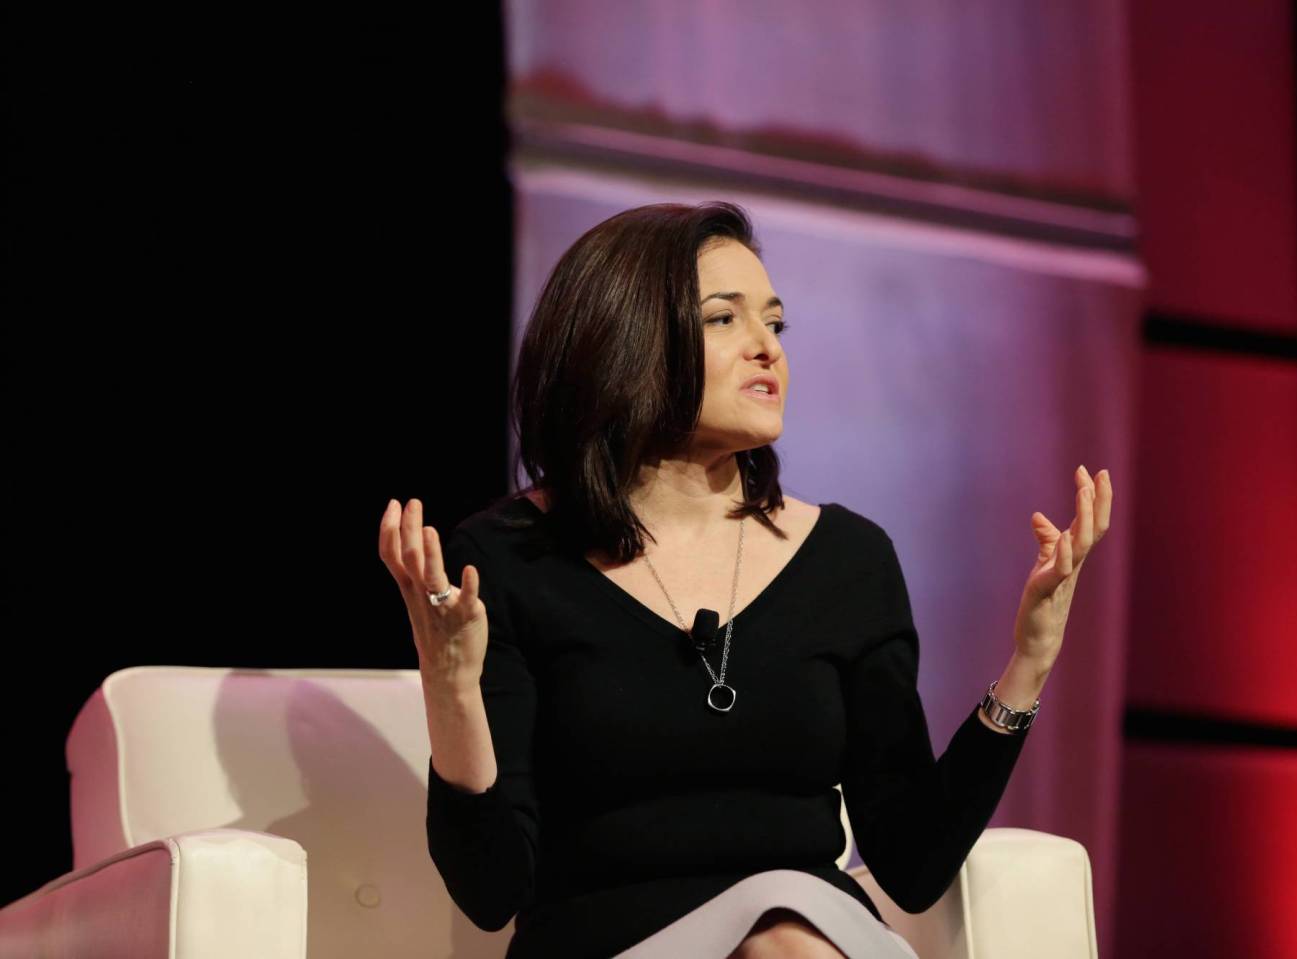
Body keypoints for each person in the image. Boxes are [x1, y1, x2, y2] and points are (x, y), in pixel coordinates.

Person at [377, 201, 1113, 959]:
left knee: (787, 937)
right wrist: (452, 687)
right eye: (725, 319)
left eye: (776, 324)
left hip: (815, 935)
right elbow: (492, 890)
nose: (767, 348)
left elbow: (911, 861)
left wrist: (1028, 664)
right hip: (609, 938)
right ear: (627, 336)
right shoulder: (507, 558)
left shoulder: (848, 560)